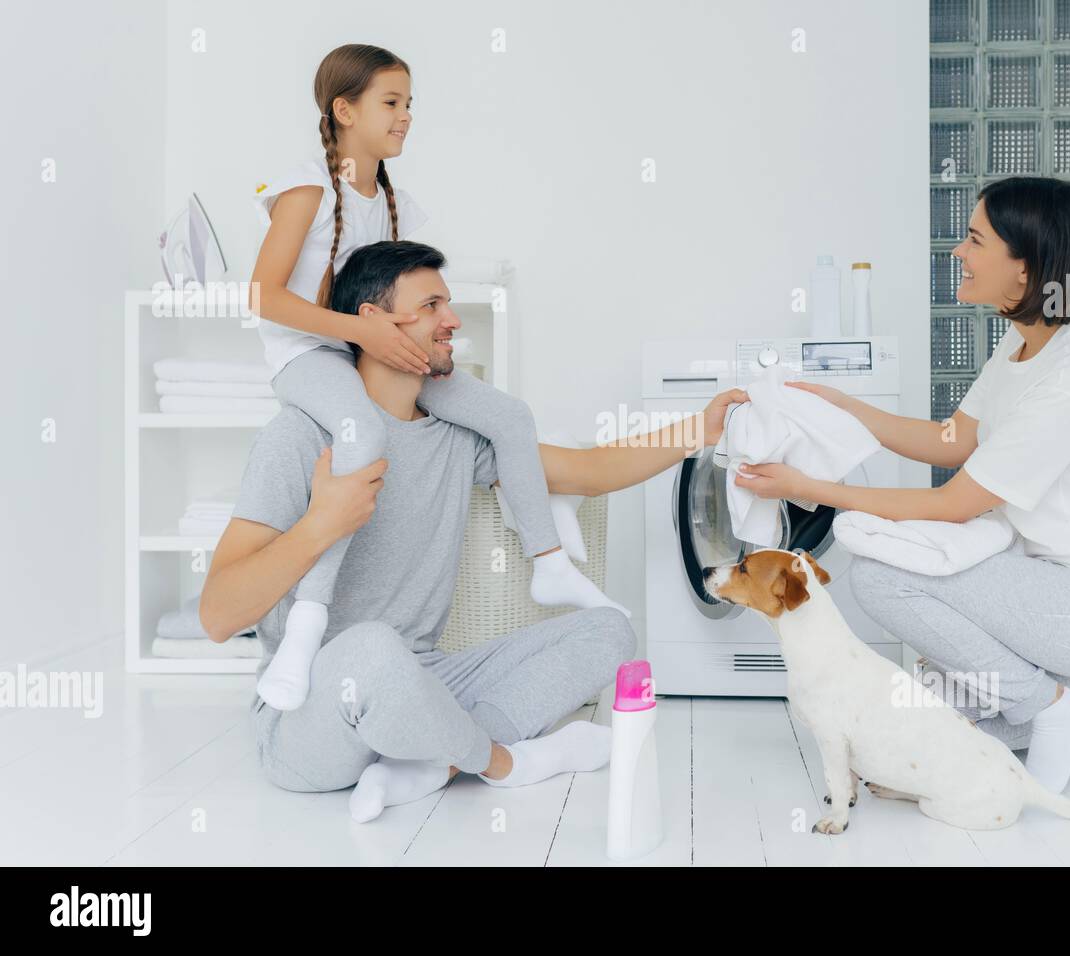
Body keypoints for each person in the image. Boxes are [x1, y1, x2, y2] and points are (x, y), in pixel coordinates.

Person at [200, 239, 747, 822]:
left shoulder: (458, 438)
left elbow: (586, 472)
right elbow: (217, 615)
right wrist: (320, 526)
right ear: (372, 322)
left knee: (610, 632)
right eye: (432, 305)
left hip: (425, 677)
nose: (452, 321)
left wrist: (699, 430)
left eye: (449, 305)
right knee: (371, 650)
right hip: (312, 716)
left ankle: (430, 761)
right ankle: (504, 762)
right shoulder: (299, 438)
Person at [735, 177, 1070, 794]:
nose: (957, 252)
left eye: (975, 239)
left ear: (1023, 273)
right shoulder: (1028, 339)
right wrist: (843, 405)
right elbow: (953, 439)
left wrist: (808, 484)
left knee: (881, 577)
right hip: (1057, 589)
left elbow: (954, 504)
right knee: (933, 720)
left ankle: (1063, 707)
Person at [247, 43, 621, 713]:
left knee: (507, 417)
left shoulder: (393, 201)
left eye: (409, 103)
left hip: (364, 349)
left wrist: (387, 336)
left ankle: (550, 565)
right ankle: (305, 629)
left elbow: (386, 293)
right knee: (362, 430)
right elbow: (264, 299)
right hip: (308, 359)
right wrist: (365, 333)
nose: (406, 116)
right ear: (344, 109)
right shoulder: (305, 191)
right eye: (391, 103)